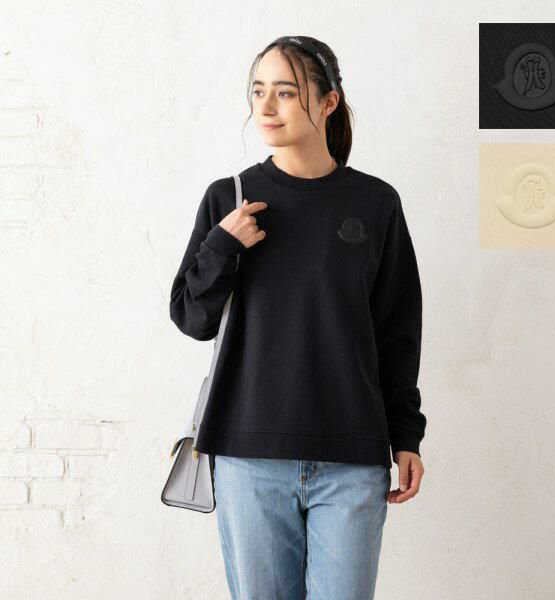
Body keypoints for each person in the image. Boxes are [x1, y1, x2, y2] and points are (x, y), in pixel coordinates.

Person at [169, 35, 427, 600]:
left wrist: (406, 434)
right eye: (258, 91)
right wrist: (221, 245)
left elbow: (397, 333)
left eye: (285, 92)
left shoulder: (376, 203)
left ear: (329, 102)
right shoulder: (229, 199)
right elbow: (192, 319)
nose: (266, 106)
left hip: (352, 457)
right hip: (248, 456)